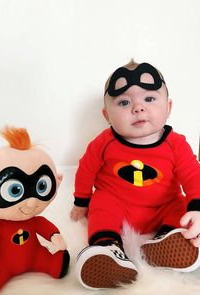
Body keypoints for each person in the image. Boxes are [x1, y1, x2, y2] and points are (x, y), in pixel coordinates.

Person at [70, 60, 200, 290]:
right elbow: (86, 170)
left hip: (163, 204)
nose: (138, 108)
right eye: (124, 102)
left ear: (168, 108)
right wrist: (81, 201)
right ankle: (108, 248)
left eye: (149, 99)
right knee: (101, 204)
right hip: (118, 204)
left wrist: (197, 207)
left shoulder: (175, 144)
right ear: (107, 115)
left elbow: (192, 175)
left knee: (179, 206)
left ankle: (167, 240)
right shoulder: (103, 143)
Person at [0, 127, 70, 295]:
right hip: (3, 264)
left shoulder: (35, 222)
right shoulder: (0, 228)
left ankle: (53, 264)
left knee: (47, 259)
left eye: (41, 186)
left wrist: (55, 236)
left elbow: (45, 227)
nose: (31, 203)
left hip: (35, 255)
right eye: (15, 190)